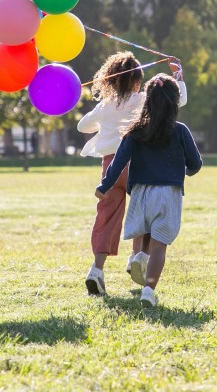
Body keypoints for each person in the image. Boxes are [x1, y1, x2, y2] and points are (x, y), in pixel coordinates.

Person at [78, 52, 186, 296]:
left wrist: (104, 118)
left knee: (106, 217)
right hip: (138, 165)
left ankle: (97, 269)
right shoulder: (142, 100)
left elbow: (82, 126)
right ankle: (137, 257)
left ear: (111, 80)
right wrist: (178, 76)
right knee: (144, 213)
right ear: (138, 80)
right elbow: (177, 100)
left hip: (110, 168)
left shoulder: (105, 105)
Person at [95, 74, 202, 307]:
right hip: (168, 194)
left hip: (141, 193)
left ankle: (140, 256)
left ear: (147, 101)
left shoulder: (135, 131)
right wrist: (186, 171)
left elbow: (118, 162)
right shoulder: (181, 130)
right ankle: (148, 290)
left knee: (146, 230)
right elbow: (195, 163)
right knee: (160, 245)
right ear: (175, 102)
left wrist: (104, 186)